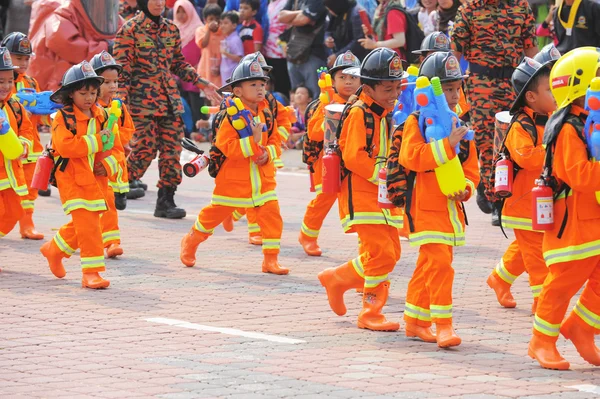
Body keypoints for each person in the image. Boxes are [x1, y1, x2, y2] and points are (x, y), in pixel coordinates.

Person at [318, 48, 404, 331]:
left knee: (391, 253)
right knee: (382, 253)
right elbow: (353, 157)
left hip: (382, 195)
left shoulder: (385, 112)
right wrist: (383, 177)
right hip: (362, 193)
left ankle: (337, 279)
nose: (394, 93)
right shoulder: (359, 112)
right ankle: (370, 313)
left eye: (396, 87)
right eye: (388, 88)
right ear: (368, 87)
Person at [399, 51, 479, 347]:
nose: (454, 94)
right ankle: (442, 325)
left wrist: (467, 188)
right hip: (424, 208)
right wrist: (447, 144)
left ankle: (415, 322)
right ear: (431, 89)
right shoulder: (417, 121)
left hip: (450, 210)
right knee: (441, 264)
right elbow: (411, 158)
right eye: (447, 88)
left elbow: (473, 168)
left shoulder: (460, 122)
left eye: (457, 87)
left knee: (429, 266)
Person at [180, 56, 288, 275]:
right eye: (253, 84)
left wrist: (267, 153)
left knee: (273, 218)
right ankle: (190, 242)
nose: (260, 89)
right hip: (233, 184)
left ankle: (270, 261)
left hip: (262, 183)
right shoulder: (230, 117)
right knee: (211, 218)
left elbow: (277, 141)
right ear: (237, 91)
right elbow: (227, 147)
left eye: (262, 84)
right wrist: (252, 142)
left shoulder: (266, 113)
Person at [113, 0, 221, 219]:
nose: (158, 3)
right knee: (145, 149)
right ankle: (118, 185)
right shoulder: (130, 30)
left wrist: (202, 83)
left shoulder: (171, 29)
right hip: (141, 103)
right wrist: (119, 103)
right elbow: (122, 71)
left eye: (161, 0)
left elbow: (178, 63)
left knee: (172, 151)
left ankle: (166, 200)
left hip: (169, 101)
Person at [528, 46, 600, 371]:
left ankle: (582, 328)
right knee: (561, 285)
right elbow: (581, 176)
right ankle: (541, 341)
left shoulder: (588, 123)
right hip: (573, 227)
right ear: (582, 87)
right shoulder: (569, 129)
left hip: (592, 224)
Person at [452, 0, 538, 226]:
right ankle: (495, 200)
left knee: (511, 140)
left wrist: (539, 83)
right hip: (482, 83)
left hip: (513, 83)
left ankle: (500, 194)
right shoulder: (469, 8)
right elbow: (455, 53)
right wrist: (448, 87)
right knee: (487, 142)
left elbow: (531, 49)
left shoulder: (521, 7)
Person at [41, 61, 120, 289]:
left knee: (85, 223)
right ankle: (91, 273)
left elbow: (116, 147)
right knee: (90, 226)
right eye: (83, 93)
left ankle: (54, 249)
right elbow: (66, 147)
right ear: (70, 94)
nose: (89, 97)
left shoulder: (103, 115)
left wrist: (109, 166)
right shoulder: (62, 119)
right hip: (73, 179)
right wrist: (96, 141)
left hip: (97, 180)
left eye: (93, 92)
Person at [487, 57, 555, 315]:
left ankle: (499, 279)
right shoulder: (520, 124)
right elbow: (527, 157)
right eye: (549, 89)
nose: (555, 93)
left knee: (526, 248)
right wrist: (554, 147)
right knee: (537, 256)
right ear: (531, 96)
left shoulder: (549, 116)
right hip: (522, 204)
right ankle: (542, 302)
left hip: (539, 202)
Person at [299, 51, 361, 256]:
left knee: (360, 199)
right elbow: (314, 133)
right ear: (332, 80)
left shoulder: (365, 101)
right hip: (329, 160)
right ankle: (308, 236)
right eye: (342, 77)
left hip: (355, 159)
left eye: (353, 77)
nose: (348, 82)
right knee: (325, 197)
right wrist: (332, 116)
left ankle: (368, 242)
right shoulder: (325, 101)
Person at [89, 51, 139, 259]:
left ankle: (111, 242)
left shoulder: (119, 107)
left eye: (115, 81)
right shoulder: (89, 107)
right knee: (88, 207)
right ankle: (76, 237)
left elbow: (128, 129)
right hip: (90, 164)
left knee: (108, 203)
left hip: (111, 164)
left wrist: (123, 141)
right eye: (106, 82)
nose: (112, 87)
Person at [2, 32, 45, 240]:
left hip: (29, 147)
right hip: (7, 153)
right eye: (19, 58)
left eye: (27, 58)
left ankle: (27, 225)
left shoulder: (31, 82)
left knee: (29, 190)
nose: (23, 62)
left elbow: (38, 115)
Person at [28, 0, 122, 91]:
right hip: (60, 86)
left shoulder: (111, 18)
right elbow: (71, 47)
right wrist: (105, 47)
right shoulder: (61, 16)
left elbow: (123, 36)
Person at [0, 47, 35, 242]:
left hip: (11, 174)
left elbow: (27, 129)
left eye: (9, 81)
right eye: (1, 81)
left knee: (14, 213)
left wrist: (23, 144)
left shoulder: (14, 105)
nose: (6, 86)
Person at [278, 0, 327, 100]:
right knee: (297, 97)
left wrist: (292, 18)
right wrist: (301, 12)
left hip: (314, 54)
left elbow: (303, 20)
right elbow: (281, 17)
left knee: (316, 97)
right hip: (294, 52)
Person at [173, 0, 203, 134]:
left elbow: (203, 50)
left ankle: (198, 129)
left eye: (183, 11)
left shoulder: (198, 29)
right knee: (182, 102)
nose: (180, 15)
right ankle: (186, 130)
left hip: (195, 71)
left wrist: (198, 66)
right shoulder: (172, 29)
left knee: (195, 102)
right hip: (178, 73)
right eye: (177, 11)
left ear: (190, 11)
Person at [323, 0, 368, 67]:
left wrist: (337, 56)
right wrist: (327, 38)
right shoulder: (337, 11)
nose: (330, 12)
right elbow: (328, 29)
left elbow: (358, 42)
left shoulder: (356, 14)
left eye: (330, 9)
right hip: (341, 54)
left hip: (356, 60)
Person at [263, 0, 291, 95]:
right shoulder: (270, 3)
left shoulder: (285, 2)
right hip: (267, 52)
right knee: (270, 85)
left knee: (282, 87)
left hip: (280, 52)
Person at [196, 3, 223, 89]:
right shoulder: (201, 30)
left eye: (217, 19)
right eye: (211, 19)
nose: (214, 21)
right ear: (205, 20)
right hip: (206, 68)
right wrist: (209, 30)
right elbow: (203, 44)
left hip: (220, 68)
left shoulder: (223, 31)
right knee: (207, 95)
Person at [220, 11, 244, 85]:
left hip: (233, 76)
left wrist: (225, 53)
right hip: (226, 76)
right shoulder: (227, 38)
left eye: (226, 23)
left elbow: (239, 58)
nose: (222, 26)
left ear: (234, 25)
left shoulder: (235, 40)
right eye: (221, 23)